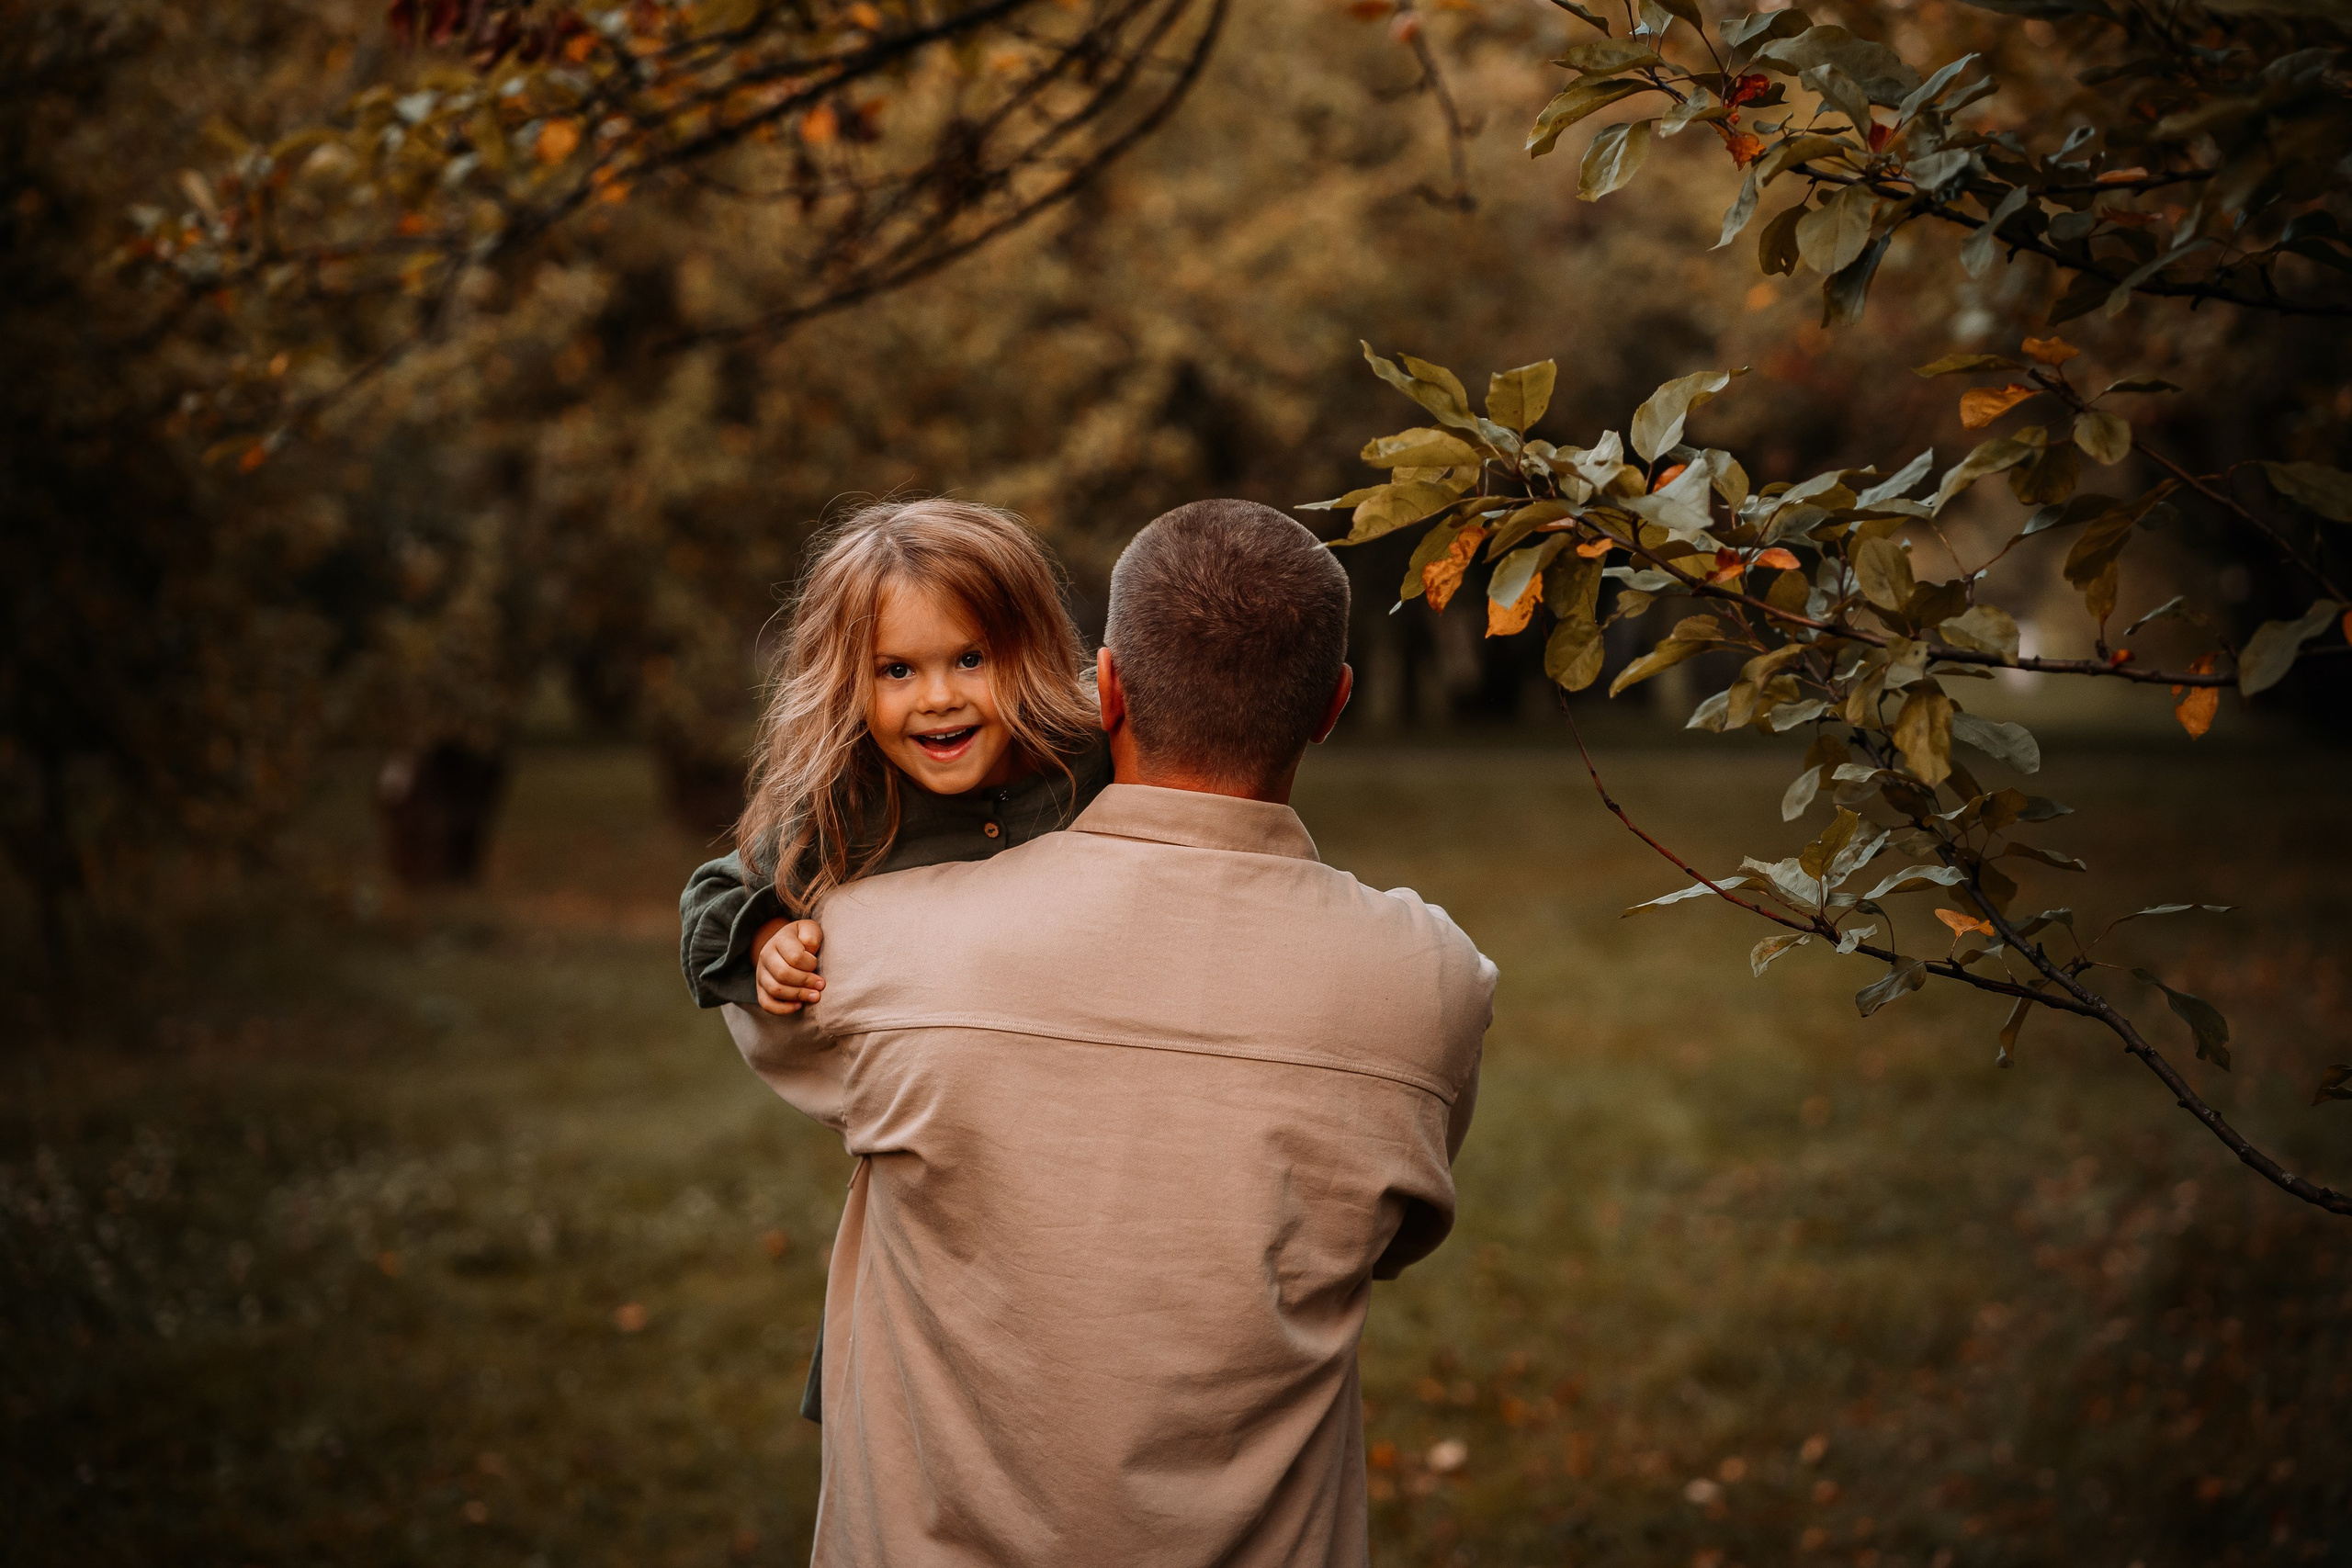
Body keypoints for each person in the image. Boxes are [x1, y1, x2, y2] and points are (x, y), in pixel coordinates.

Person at [723, 498, 1496, 1566]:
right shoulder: (1433, 980)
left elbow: (759, 1019)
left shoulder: (865, 947)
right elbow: (1396, 1236)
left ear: (1109, 685)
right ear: (1331, 705)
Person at [678, 495, 1114, 1419]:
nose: (938, 697)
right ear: (850, 681)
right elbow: (709, 896)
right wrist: (764, 937)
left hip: (1091, 1156)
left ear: (1028, 650)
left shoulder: (1093, 766)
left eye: (969, 658)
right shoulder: (845, 807)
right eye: (896, 670)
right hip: (942, 1177)